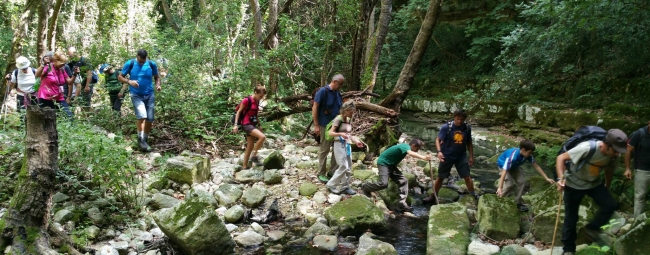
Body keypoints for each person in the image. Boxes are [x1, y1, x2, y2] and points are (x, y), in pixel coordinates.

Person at [556, 129, 627, 255]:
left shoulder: (614, 155)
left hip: (594, 184)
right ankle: (568, 249)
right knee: (571, 218)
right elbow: (561, 158)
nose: (617, 154)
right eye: (615, 150)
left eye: (619, 151)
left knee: (609, 205)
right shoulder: (587, 148)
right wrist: (560, 179)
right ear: (606, 144)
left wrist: (607, 186)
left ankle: (591, 229)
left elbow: (609, 170)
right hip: (573, 184)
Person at [361, 139, 432, 212]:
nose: (417, 150)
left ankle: (402, 203)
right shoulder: (405, 146)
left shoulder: (404, 148)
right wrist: (424, 158)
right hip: (383, 163)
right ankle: (365, 187)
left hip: (391, 165)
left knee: (404, 181)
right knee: (384, 184)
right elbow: (410, 153)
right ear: (413, 145)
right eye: (417, 148)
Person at [424, 109, 477, 203]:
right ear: (454, 118)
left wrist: (471, 156)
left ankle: (473, 195)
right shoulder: (446, 127)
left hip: (461, 157)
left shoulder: (467, 128)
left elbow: (469, 143)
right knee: (440, 177)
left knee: (467, 176)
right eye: (457, 119)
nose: (459, 121)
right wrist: (439, 152)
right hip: (446, 156)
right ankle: (433, 196)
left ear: (464, 119)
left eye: (461, 119)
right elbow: (437, 140)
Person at [118, 49, 161, 152]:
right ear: (137, 56)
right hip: (136, 94)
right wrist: (129, 82)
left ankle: (144, 140)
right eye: (140, 61)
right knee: (142, 115)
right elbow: (120, 77)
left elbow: (157, 77)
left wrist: (158, 85)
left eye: (143, 60)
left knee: (150, 119)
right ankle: (140, 139)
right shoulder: (130, 63)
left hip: (149, 94)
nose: (142, 62)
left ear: (146, 57)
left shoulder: (151, 64)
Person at [496, 140, 554, 212]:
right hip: (503, 166)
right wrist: (500, 187)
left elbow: (536, 166)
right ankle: (498, 200)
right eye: (529, 152)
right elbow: (504, 172)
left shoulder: (528, 155)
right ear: (523, 150)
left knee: (522, 181)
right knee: (509, 185)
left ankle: (517, 202)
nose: (530, 154)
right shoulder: (512, 157)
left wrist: (546, 178)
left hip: (514, 166)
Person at [326, 101, 364, 195]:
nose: (353, 114)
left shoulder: (348, 119)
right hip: (338, 144)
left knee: (349, 166)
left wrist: (355, 141)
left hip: (347, 144)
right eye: (351, 112)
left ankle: (345, 187)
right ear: (346, 110)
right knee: (343, 165)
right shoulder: (338, 119)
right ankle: (331, 184)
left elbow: (349, 134)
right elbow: (331, 133)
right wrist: (340, 134)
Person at [312, 74, 344, 182]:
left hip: (336, 126)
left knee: (336, 150)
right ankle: (321, 173)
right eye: (340, 84)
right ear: (335, 82)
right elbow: (315, 106)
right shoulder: (323, 91)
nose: (340, 87)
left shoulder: (338, 93)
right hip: (324, 125)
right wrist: (316, 125)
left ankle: (332, 171)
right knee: (324, 150)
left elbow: (340, 109)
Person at [232, 85, 267, 169]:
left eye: (262, 96)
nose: (261, 98)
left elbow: (256, 114)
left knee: (250, 146)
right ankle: (254, 157)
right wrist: (235, 125)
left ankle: (244, 166)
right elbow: (238, 112)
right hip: (246, 124)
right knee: (262, 137)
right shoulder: (246, 100)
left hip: (253, 124)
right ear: (255, 92)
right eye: (260, 96)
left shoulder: (257, 101)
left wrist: (259, 125)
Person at [35, 51, 75, 118]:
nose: (63, 65)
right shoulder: (48, 67)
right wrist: (43, 65)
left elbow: (69, 82)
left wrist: (75, 74)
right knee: (46, 118)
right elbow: (37, 75)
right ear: (55, 61)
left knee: (69, 116)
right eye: (62, 63)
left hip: (59, 97)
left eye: (64, 64)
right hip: (45, 97)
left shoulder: (61, 69)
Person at [624, 121, 650, 217]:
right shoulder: (639, 134)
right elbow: (628, 150)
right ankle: (637, 221)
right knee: (640, 196)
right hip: (641, 169)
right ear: (649, 123)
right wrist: (627, 168)